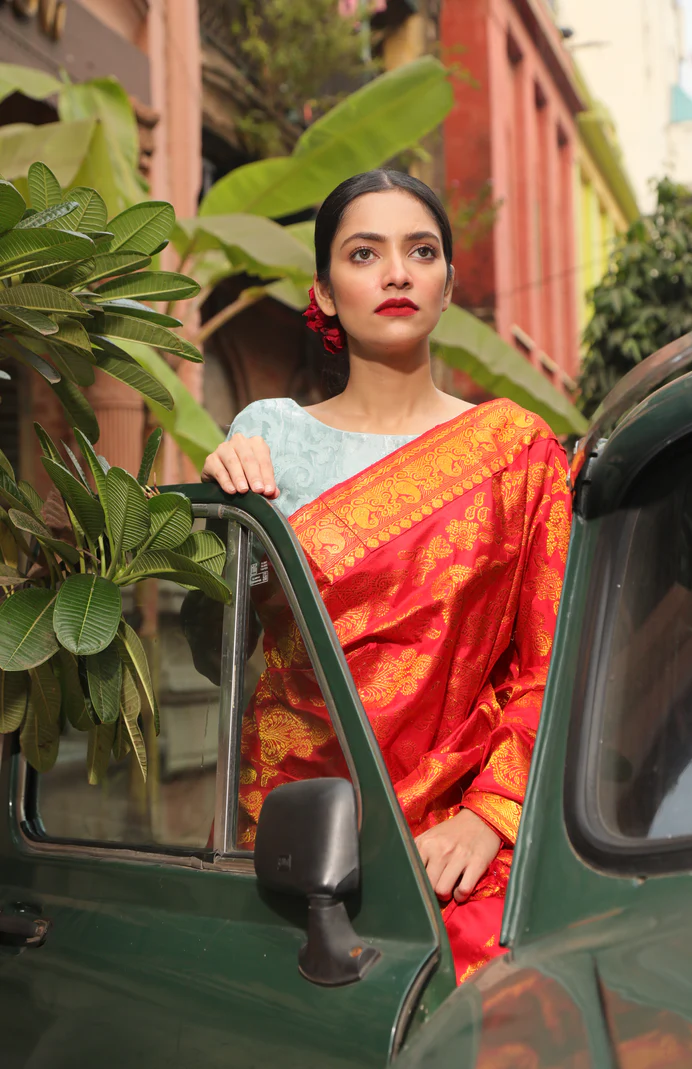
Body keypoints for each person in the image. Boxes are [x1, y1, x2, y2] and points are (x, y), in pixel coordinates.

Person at [201, 169, 571, 983]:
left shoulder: (516, 450)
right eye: (364, 253)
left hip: (463, 844)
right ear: (324, 293)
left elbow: (555, 660)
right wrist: (222, 505)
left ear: (447, 284)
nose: (396, 272)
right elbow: (219, 642)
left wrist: (487, 817)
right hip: (304, 835)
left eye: (421, 251)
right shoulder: (271, 436)